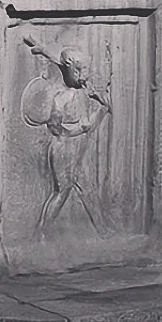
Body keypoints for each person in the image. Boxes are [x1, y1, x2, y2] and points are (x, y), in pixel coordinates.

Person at [20, 36, 111, 231]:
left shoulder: (84, 91)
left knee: (88, 190)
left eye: (86, 70)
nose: (83, 76)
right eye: (78, 71)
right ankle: (40, 232)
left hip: (77, 149)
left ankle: (103, 231)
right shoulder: (61, 99)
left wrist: (102, 103)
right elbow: (55, 128)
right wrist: (79, 128)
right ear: (70, 71)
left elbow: (57, 59)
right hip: (63, 149)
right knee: (62, 192)